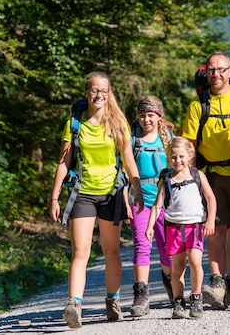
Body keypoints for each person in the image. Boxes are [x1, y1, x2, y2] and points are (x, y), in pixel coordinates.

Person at [49, 71, 143, 328]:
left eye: (104, 90)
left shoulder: (118, 123)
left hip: (111, 194)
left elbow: (129, 161)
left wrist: (137, 189)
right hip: (83, 194)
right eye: (94, 90)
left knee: (111, 251)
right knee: (80, 251)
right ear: (86, 92)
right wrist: (55, 197)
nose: (99, 95)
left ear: (109, 92)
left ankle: (112, 301)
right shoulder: (74, 124)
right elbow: (64, 162)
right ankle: (74, 304)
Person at [180, 51, 230, 309]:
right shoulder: (197, 105)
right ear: (207, 73)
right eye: (212, 70)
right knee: (216, 229)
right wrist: (191, 179)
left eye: (221, 69)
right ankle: (216, 282)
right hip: (210, 175)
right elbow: (190, 145)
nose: (216, 74)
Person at [145, 136, 217, 319]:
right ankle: (178, 302)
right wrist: (150, 226)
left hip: (195, 226)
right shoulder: (166, 179)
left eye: (181, 156)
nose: (177, 161)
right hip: (174, 228)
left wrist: (209, 221)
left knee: (195, 262)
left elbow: (210, 198)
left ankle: (196, 298)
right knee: (177, 267)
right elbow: (157, 205)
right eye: (173, 157)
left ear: (190, 155)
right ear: (169, 158)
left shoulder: (198, 176)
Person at [128, 95, 174, 317]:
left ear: (159, 117)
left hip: (166, 202)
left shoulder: (169, 140)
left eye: (151, 115)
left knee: (168, 249)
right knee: (141, 245)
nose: (146, 120)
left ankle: (171, 284)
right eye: (142, 116)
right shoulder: (132, 141)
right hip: (140, 202)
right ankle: (141, 295)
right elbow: (124, 171)